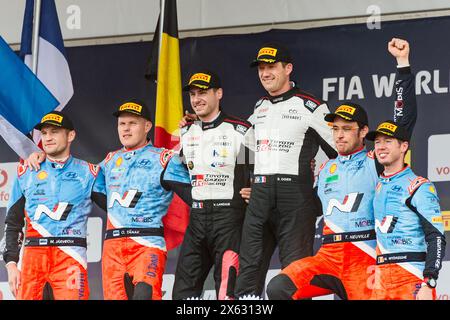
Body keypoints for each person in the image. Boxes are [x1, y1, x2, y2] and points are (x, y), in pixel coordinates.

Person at [266, 38, 418, 300]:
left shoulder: (376, 160)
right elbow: (306, 208)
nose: (339, 135)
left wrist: (402, 66)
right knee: (279, 287)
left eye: (347, 129)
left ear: (363, 132)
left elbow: (401, 123)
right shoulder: (326, 168)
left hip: (366, 256)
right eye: (335, 129)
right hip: (328, 256)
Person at [24, 100, 192, 300]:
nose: (126, 129)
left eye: (133, 123)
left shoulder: (164, 158)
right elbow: (73, 175)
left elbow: (195, 195)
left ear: (147, 126)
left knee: (145, 295)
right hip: (113, 248)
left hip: (146, 243)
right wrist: (43, 157)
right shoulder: (108, 162)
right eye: (122, 124)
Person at [235, 42, 338, 299]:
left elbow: (341, 149)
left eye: (271, 67)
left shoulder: (312, 106)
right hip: (260, 197)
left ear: (288, 68)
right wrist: (248, 185)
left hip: (295, 197)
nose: (265, 73)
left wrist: (318, 194)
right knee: (248, 269)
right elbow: (244, 149)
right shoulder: (260, 106)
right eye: (261, 68)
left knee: (294, 275)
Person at [172, 70, 254, 300]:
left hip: (228, 218)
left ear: (219, 94)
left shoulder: (239, 130)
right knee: (182, 293)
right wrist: (194, 197)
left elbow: (259, 170)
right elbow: (173, 174)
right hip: (197, 218)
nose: (196, 99)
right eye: (193, 94)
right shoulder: (186, 131)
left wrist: (254, 191)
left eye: (203, 93)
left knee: (227, 291)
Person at [2, 111, 99, 300]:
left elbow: (118, 205)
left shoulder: (89, 173)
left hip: (70, 257)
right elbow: (13, 223)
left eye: (54, 132)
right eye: (44, 133)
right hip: (33, 260)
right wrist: (11, 264)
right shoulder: (26, 172)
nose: (48, 138)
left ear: (70, 135)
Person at [366, 121, 446, 300]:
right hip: (379, 279)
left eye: (388, 141)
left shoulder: (418, 186)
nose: (381, 147)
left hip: (411, 277)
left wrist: (429, 281)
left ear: (404, 147)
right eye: (378, 142)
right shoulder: (377, 184)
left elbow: (437, 237)